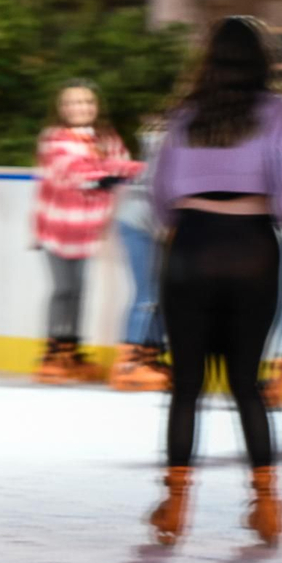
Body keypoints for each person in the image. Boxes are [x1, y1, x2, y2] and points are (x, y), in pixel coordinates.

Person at [147, 16, 282, 548]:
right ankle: (267, 505)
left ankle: (175, 507)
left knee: (187, 386)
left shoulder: (185, 116)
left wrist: (182, 226)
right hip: (252, 247)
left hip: (192, 247)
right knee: (247, 384)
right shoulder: (280, 113)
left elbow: (159, 195)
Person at [33, 79, 143, 383]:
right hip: (56, 227)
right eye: (72, 103)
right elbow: (70, 171)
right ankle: (54, 351)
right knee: (63, 289)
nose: (79, 108)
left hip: (86, 229)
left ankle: (72, 349)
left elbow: (122, 164)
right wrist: (106, 174)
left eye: (85, 102)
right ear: (61, 108)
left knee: (80, 289)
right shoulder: (54, 138)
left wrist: (130, 169)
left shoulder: (105, 137)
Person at [108, 114, 172, 392]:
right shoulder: (163, 158)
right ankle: (129, 362)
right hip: (137, 225)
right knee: (146, 294)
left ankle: (149, 354)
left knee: (159, 295)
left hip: (150, 226)